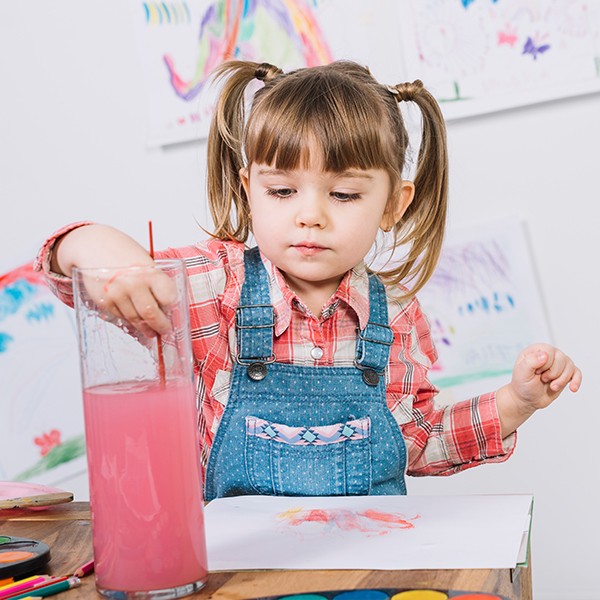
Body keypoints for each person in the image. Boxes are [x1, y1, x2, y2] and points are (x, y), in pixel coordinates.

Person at [36, 60, 581, 500]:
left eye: (343, 195)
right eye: (281, 191)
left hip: (363, 568)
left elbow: (417, 443)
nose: (311, 216)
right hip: (241, 577)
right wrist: (95, 247)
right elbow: (70, 274)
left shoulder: (396, 313)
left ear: (394, 203)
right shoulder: (210, 286)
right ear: (248, 187)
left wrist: (517, 400)